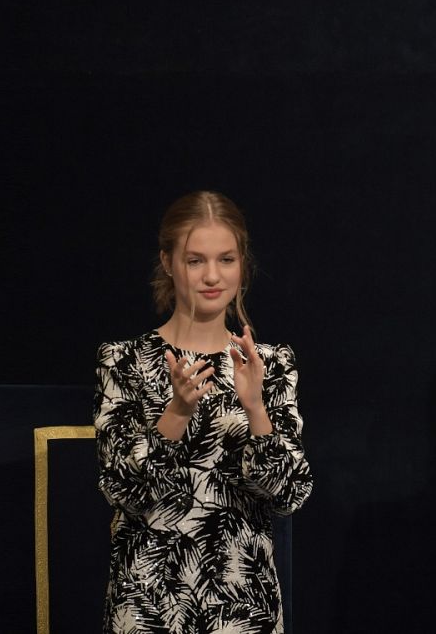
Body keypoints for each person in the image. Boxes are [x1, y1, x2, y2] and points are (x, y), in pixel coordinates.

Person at [93, 191, 313, 633]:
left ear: (242, 264)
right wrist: (175, 413)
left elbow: (289, 495)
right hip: (149, 602)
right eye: (195, 261)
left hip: (243, 604)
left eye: (226, 259)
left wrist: (255, 408)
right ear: (168, 262)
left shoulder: (269, 363)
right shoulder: (124, 360)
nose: (212, 276)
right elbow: (121, 489)